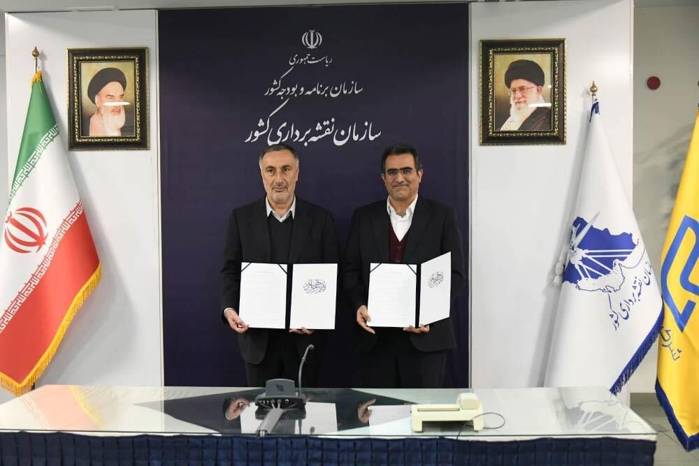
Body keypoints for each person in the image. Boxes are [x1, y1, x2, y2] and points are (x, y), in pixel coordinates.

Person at [343, 144, 466, 388]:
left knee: (422, 411)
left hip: (426, 341)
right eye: (392, 172)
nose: (399, 178)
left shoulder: (442, 216)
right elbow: (351, 271)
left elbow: (456, 275)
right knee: (377, 411)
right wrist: (358, 304)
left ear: (420, 174)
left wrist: (428, 313)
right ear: (383, 178)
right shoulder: (363, 217)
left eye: (406, 170)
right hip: (375, 342)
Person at [221, 143, 339, 387]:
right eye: (271, 170)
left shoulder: (321, 220)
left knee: (306, 410)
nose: (279, 179)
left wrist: (318, 317)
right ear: (261, 174)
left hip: (304, 343)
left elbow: (332, 277)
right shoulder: (241, 219)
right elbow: (230, 271)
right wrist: (229, 308)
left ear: (297, 173)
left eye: (286, 169)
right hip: (257, 342)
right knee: (259, 410)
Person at [500, 59, 552, 132]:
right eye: (513, 90)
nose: (517, 96)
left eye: (523, 89)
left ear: (538, 90)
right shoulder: (508, 124)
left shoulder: (550, 119)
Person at [84, 67, 132, 137]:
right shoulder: (83, 127)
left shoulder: (131, 127)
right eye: (111, 98)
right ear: (97, 100)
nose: (117, 104)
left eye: (120, 97)